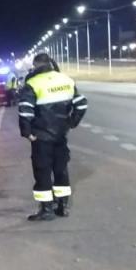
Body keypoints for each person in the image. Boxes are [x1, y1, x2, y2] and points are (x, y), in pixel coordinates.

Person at [17, 53, 88, 221]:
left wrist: (27, 132)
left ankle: (46, 209)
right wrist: (71, 122)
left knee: (42, 171)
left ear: (35, 66)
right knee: (61, 169)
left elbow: (25, 110)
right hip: (61, 135)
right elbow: (82, 104)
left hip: (41, 136)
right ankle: (62, 207)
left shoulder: (32, 83)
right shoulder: (66, 80)